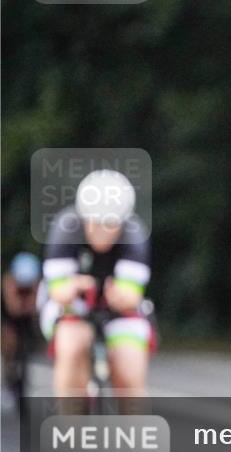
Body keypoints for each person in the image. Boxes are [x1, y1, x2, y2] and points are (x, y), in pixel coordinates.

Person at [39, 169, 154, 403]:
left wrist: (120, 297)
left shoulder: (135, 233)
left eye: (110, 224)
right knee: (71, 346)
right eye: (96, 222)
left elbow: (131, 296)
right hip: (73, 305)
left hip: (116, 309)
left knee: (130, 371)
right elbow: (57, 291)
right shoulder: (65, 228)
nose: (102, 231)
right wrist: (73, 286)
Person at [1, 252, 42, 408]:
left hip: (26, 317)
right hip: (9, 316)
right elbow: (13, 308)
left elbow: (34, 308)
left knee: (30, 340)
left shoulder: (36, 283)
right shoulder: (9, 281)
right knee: (9, 339)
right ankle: (9, 368)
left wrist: (31, 308)